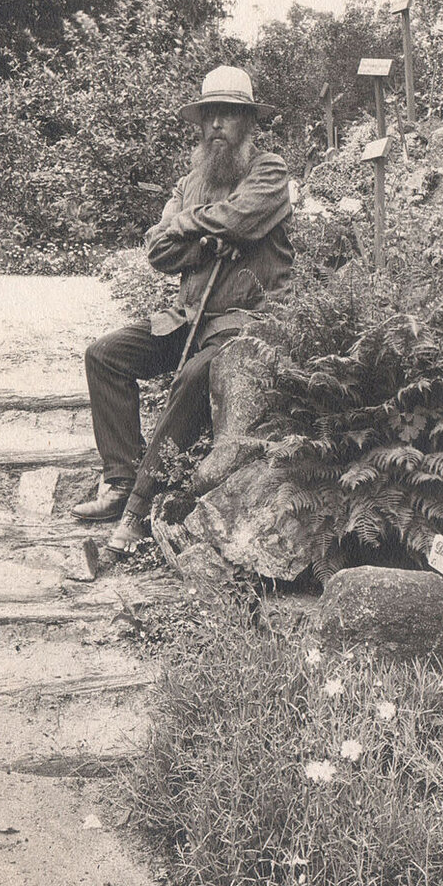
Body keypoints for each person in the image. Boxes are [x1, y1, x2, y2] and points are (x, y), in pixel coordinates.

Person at [72, 65, 293, 554]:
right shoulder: (190, 180)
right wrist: (210, 241)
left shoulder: (270, 171)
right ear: (199, 121)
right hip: (188, 316)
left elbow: (242, 218)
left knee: (193, 377)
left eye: (229, 115)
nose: (218, 125)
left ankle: (139, 508)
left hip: (242, 323)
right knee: (105, 355)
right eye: (210, 114)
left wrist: (190, 225)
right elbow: (157, 251)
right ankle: (120, 478)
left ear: (248, 123)